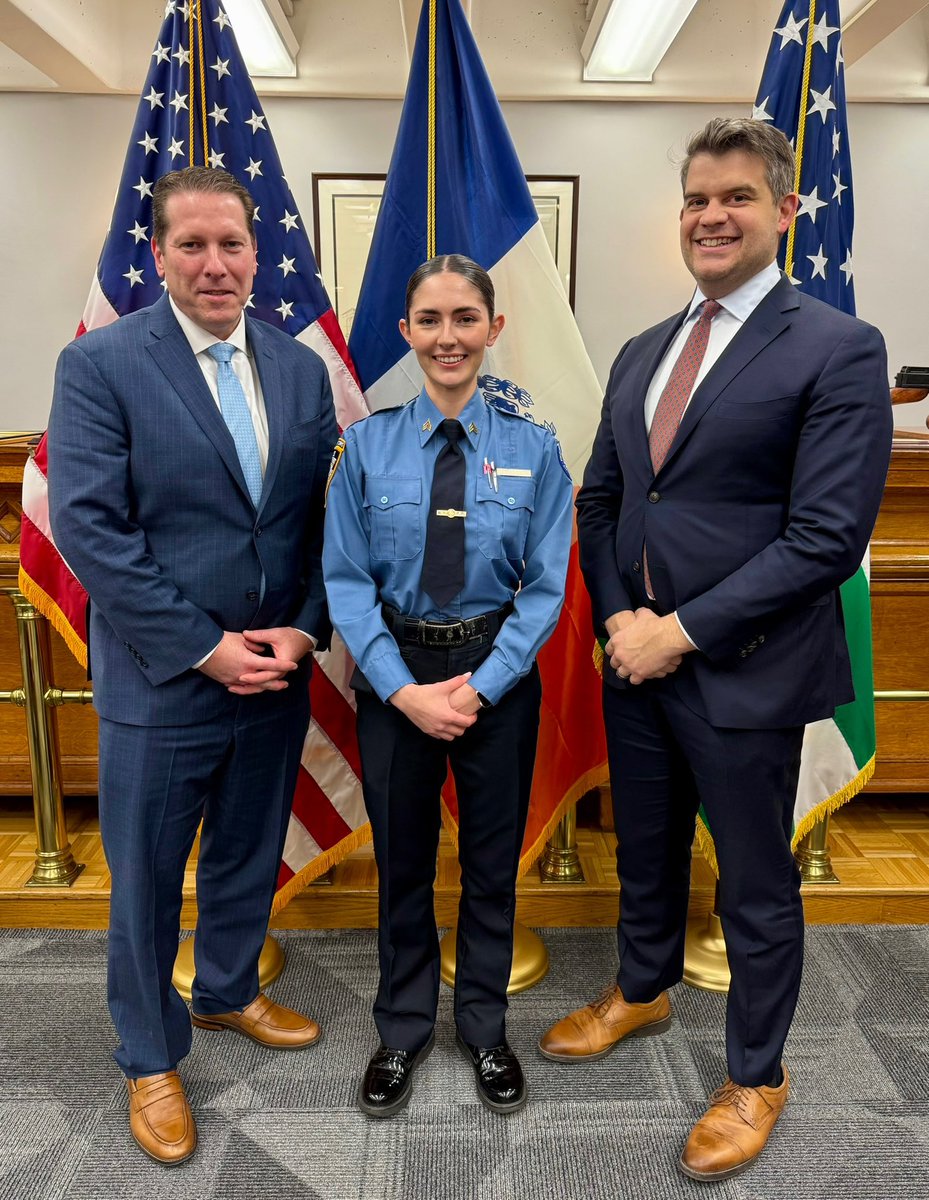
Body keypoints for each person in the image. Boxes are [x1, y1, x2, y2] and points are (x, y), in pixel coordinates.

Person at [538, 118, 893, 1180]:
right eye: (696, 198)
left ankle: (756, 1075)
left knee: (749, 885)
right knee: (640, 853)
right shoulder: (645, 348)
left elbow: (825, 538)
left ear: (782, 212)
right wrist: (615, 625)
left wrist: (675, 633)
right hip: (633, 661)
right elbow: (600, 499)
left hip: (744, 669)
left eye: (736, 197)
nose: (710, 215)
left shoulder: (836, 346)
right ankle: (640, 993)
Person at [47, 167, 337, 1165]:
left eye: (232, 245)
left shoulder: (299, 372)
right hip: (164, 680)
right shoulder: (101, 366)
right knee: (146, 883)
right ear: (158, 255)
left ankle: (223, 992)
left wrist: (299, 631)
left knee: (246, 853)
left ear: (258, 255)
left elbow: (308, 524)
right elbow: (92, 530)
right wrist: (205, 649)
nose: (215, 264)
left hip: (273, 672)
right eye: (192, 246)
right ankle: (150, 1056)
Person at [323, 254, 573, 1117]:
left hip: (494, 678)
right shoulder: (364, 447)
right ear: (407, 332)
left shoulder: (534, 449)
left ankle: (483, 1025)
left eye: (465, 318)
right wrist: (402, 690)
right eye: (429, 320)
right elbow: (347, 583)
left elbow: (545, 587)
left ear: (493, 329)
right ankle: (401, 1029)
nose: (448, 337)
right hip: (395, 680)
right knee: (401, 866)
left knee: (490, 865)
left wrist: (482, 684)